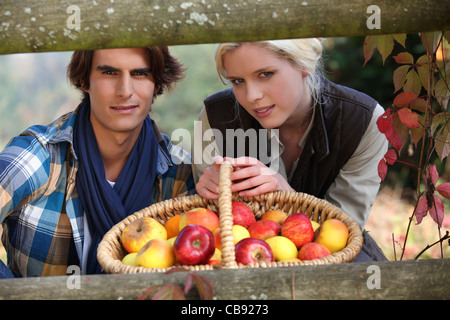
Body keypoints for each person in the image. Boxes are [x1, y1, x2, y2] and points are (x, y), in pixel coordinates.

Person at [0, 47, 195, 277]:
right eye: (110, 73)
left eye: (139, 74)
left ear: (157, 84)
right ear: (84, 81)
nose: (125, 91)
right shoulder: (41, 156)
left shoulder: (180, 173)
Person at [193, 39, 388, 261]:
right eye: (238, 81)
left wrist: (288, 199)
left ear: (303, 64)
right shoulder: (215, 117)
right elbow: (208, 231)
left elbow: (343, 235)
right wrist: (209, 193)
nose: (251, 96)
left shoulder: (363, 122)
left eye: (265, 74)